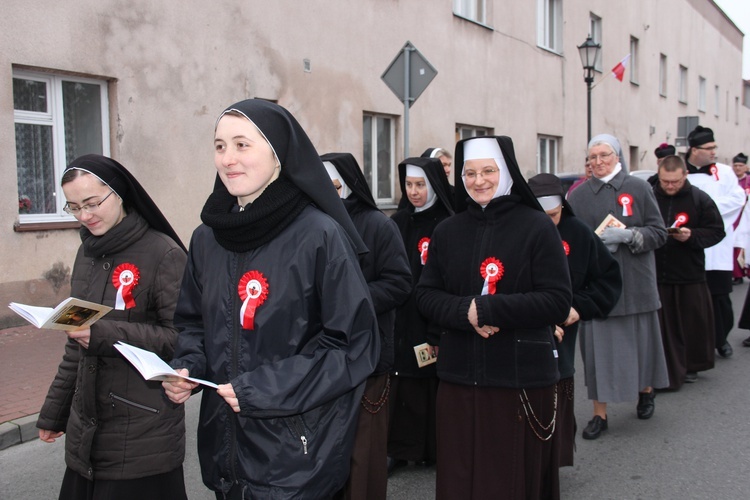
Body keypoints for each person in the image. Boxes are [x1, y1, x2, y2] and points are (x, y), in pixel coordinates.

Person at [162, 99, 380, 499]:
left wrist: (260, 389)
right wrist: (186, 367)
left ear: (279, 155)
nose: (228, 158)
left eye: (242, 145)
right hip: (223, 447)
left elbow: (351, 346)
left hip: (294, 451)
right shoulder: (206, 238)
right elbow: (193, 323)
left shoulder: (319, 234)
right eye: (220, 145)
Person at [416, 136, 572, 499]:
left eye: (488, 171)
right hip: (458, 377)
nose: (478, 180)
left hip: (519, 377)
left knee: (510, 481)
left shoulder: (537, 227)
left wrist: (488, 309)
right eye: (469, 173)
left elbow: (557, 301)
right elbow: (424, 294)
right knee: (461, 477)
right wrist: (464, 312)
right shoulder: (448, 231)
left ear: (506, 173)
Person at [36, 154, 189, 500]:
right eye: (73, 207)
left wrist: (103, 333)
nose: (84, 216)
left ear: (119, 193)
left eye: (92, 203)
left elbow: (179, 339)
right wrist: (53, 413)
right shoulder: (86, 254)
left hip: (142, 434)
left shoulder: (164, 254)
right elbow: (76, 342)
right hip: (87, 432)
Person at [321, 152, 412, 500]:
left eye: (334, 186)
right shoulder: (311, 223)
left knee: (363, 451)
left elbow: (400, 283)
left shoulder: (378, 225)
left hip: (367, 353)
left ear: (349, 185)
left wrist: (348, 301)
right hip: (323, 356)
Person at [567, 133, 669, 439]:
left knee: (642, 344)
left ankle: (646, 391)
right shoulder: (578, 196)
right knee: (598, 353)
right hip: (598, 287)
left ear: (618, 157)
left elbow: (659, 232)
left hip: (635, 281)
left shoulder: (638, 187)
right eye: (592, 157)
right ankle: (600, 413)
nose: (598, 162)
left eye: (604, 155)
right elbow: (571, 239)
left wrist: (631, 236)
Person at [528, 173, 622, 467]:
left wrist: (578, 307)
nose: (547, 222)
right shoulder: (519, 231)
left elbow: (607, 280)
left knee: (558, 392)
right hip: (525, 329)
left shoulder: (579, 233)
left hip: (563, 332)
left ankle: (555, 458)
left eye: (553, 216)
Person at [387, 156, 454, 474]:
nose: (414, 192)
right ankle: (401, 448)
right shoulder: (398, 221)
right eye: (409, 185)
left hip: (433, 314)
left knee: (430, 383)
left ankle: (434, 448)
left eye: (420, 185)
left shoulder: (446, 222)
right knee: (403, 381)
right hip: (402, 314)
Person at [652, 155, 724, 388]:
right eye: (665, 182)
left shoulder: (700, 199)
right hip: (657, 273)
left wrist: (692, 236)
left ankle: (693, 364)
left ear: (685, 175)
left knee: (692, 322)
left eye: (674, 181)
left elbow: (716, 231)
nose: (670, 186)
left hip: (689, 272)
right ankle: (666, 367)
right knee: (665, 326)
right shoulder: (650, 196)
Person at [684, 126, 745, 358]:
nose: (713, 152)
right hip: (688, 244)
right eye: (709, 148)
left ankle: (721, 339)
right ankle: (696, 342)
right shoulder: (682, 172)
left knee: (719, 298)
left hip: (717, 245)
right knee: (692, 298)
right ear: (694, 149)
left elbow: (738, 199)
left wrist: (707, 211)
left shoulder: (725, 172)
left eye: (714, 147)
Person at [731, 152, 750, 284]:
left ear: (746, 167)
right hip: (732, 216)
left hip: (745, 215)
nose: (737, 168)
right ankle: (734, 273)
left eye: (740, 165)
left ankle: (741, 272)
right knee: (732, 244)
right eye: (735, 165)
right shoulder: (729, 180)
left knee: (741, 244)